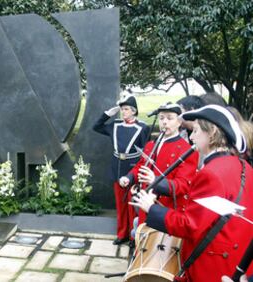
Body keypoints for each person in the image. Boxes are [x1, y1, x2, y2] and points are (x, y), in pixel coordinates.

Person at [130, 105, 253, 281]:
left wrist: (151, 208)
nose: (192, 136)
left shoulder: (212, 173)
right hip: (237, 259)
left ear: (212, 132)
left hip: (212, 264)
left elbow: (190, 226)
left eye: (195, 131)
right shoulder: (243, 165)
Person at [119, 103, 199, 225]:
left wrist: (155, 181)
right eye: (161, 118)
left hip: (165, 210)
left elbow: (183, 185)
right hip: (144, 205)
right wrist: (129, 178)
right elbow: (141, 166)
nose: (164, 122)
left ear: (179, 122)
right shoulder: (151, 144)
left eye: (169, 118)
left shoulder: (186, 150)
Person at [93, 94, 150, 245]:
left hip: (133, 169)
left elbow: (146, 152)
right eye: (122, 109)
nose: (123, 112)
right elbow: (96, 127)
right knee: (120, 204)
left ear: (134, 111)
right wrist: (107, 115)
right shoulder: (116, 125)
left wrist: (139, 172)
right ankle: (122, 233)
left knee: (133, 205)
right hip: (117, 168)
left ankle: (133, 235)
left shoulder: (143, 128)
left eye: (126, 109)